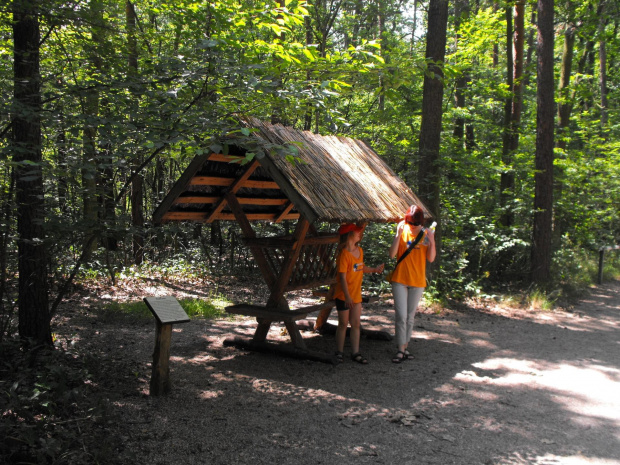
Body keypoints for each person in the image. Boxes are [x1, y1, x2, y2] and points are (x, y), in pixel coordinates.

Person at [388, 205, 436, 363]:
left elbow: (430, 258)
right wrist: (397, 235)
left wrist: (432, 241)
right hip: (400, 279)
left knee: (410, 317)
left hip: (417, 281)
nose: (413, 226)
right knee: (401, 316)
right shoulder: (402, 230)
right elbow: (392, 254)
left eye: (416, 224)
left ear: (421, 223)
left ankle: (405, 346)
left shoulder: (425, 234)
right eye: (410, 222)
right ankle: (400, 349)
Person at [333, 223, 384, 364]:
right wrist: (347, 296)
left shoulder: (360, 251)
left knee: (355, 324)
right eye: (356, 232)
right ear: (349, 235)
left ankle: (355, 353)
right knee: (343, 324)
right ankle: (339, 352)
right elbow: (342, 277)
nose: (359, 234)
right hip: (344, 295)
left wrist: (374, 269)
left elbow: (360, 268)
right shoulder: (344, 254)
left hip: (356, 295)